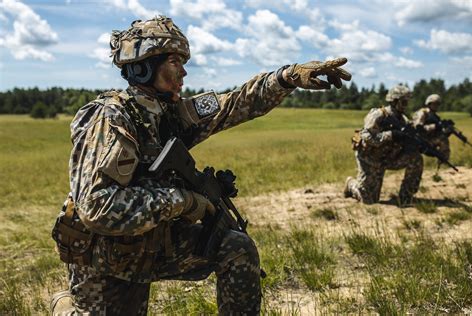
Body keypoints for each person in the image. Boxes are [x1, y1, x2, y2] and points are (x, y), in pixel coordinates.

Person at [51, 16, 351, 315]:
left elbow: (233, 104)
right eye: (174, 61)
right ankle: (67, 308)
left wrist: (286, 77)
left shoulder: (168, 115)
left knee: (235, 247)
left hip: (150, 242)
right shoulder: (111, 118)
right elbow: (98, 208)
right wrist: (184, 202)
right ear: (143, 66)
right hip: (106, 257)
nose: (183, 72)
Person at [344, 84, 423, 205]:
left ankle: (406, 196)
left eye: (407, 102)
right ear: (394, 101)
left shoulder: (404, 120)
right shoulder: (378, 115)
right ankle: (351, 185)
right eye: (404, 102)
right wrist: (390, 135)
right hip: (370, 159)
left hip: (389, 158)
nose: (406, 105)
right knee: (369, 200)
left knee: (416, 158)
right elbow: (367, 137)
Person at [412, 94, 450, 162]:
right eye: (434, 104)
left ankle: (442, 161)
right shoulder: (423, 113)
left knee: (444, 139)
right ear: (429, 104)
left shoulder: (436, 116)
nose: (436, 106)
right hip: (420, 141)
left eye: (438, 104)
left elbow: (438, 132)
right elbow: (418, 128)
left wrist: (447, 130)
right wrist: (435, 126)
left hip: (429, 140)